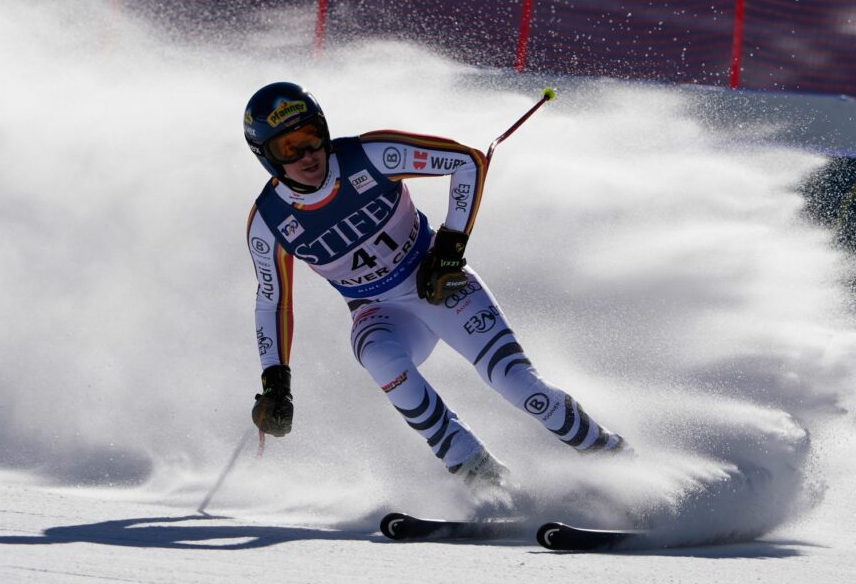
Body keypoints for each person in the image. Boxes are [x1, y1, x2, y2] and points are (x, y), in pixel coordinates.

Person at [243, 82, 628, 504]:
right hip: (379, 311)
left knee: (516, 383)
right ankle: (483, 476)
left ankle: (617, 461)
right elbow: (273, 301)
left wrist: (448, 249)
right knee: (378, 356)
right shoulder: (269, 222)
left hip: (437, 283)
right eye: (289, 147)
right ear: (267, 157)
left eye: (312, 137)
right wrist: (276, 382)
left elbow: (467, 162)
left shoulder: (369, 156)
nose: (307, 155)